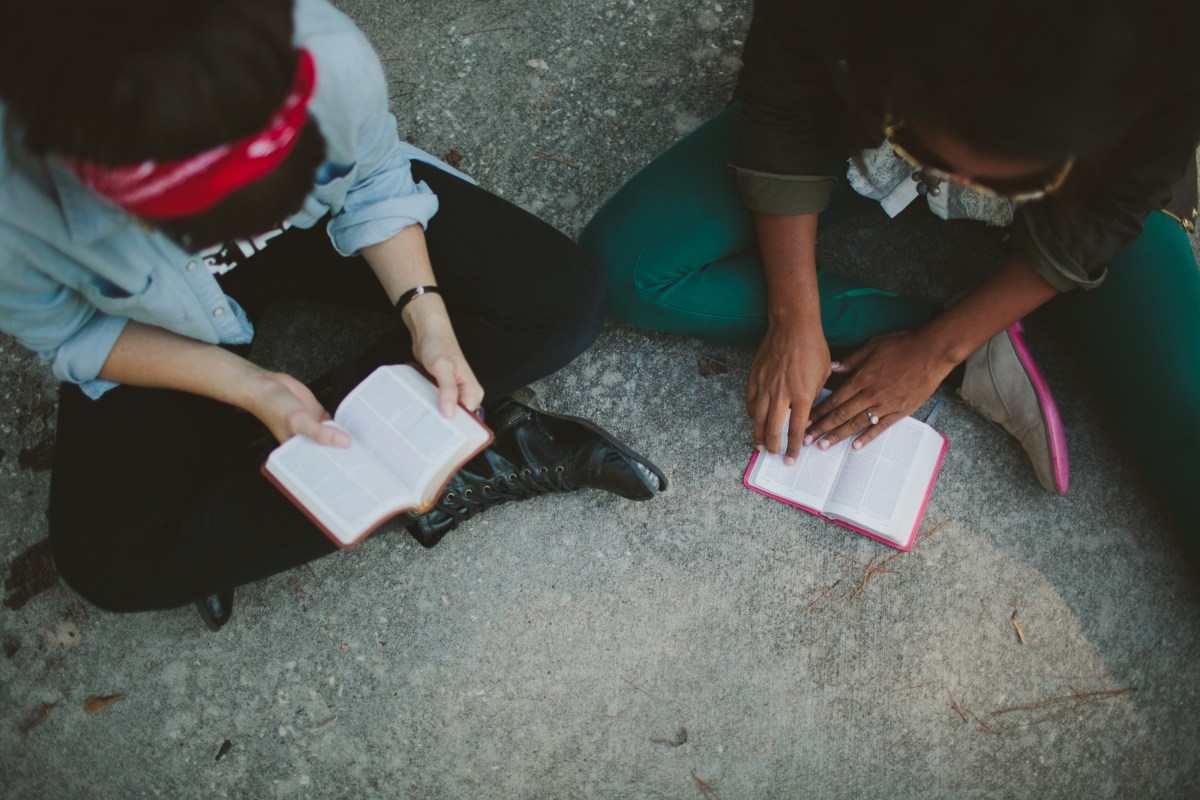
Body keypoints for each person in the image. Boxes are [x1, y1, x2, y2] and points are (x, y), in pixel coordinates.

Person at [0, 0, 665, 629]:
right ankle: (446, 462)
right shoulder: (14, 209)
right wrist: (247, 386)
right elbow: (72, 331)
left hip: (325, 228)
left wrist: (425, 315)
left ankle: (262, 487)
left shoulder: (317, 48)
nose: (263, 230)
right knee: (114, 565)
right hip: (162, 313)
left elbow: (373, 179)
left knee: (559, 302)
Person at [580, 0, 1200, 556]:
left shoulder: (1168, 44)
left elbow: (1108, 213)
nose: (964, 190)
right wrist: (796, 318)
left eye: (1007, 182)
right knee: (626, 271)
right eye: (936, 154)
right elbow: (783, 109)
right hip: (855, 126)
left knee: (1185, 406)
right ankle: (980, 344)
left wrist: (935, 351)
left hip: (1081, 201)